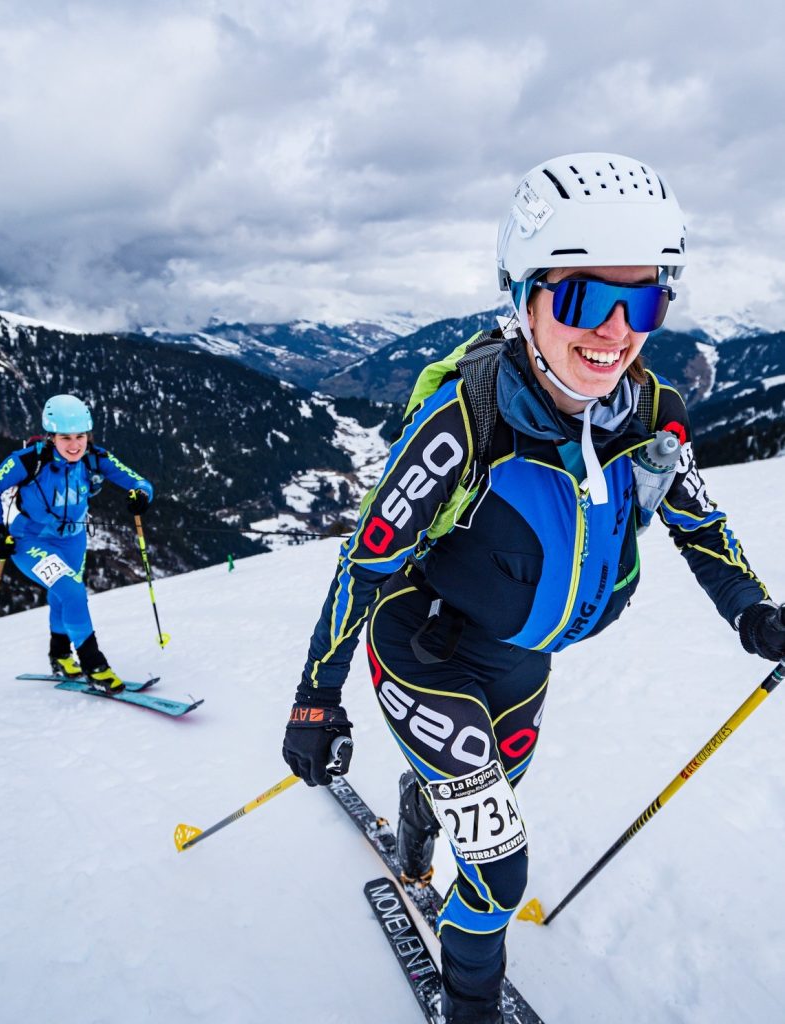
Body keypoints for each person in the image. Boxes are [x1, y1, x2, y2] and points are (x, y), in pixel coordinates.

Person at [281, 152, 785, 1023]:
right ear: (521, 295)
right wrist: (315, 699)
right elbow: (365, 559)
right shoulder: (468, 419)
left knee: (487, 801)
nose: (616, 330)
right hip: (425, 651)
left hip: (522, 665)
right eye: (587, 296)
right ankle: (469, 1006)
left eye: (645, 298)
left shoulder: (646, 411)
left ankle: (424, 799)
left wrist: (753, 610)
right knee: (501, 865)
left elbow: (697, 520)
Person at [0, 394, 153, 693]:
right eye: (65, 438)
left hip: (73, 539)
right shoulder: (27, 460)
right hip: (29, 539)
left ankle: (60, 655)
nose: (74, 445)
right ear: (51, 437)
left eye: (80, 436)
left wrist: (140, 495)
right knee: (73, 592)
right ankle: (93, 665)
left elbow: (139, 481)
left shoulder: (94, 457)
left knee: (62, 595)